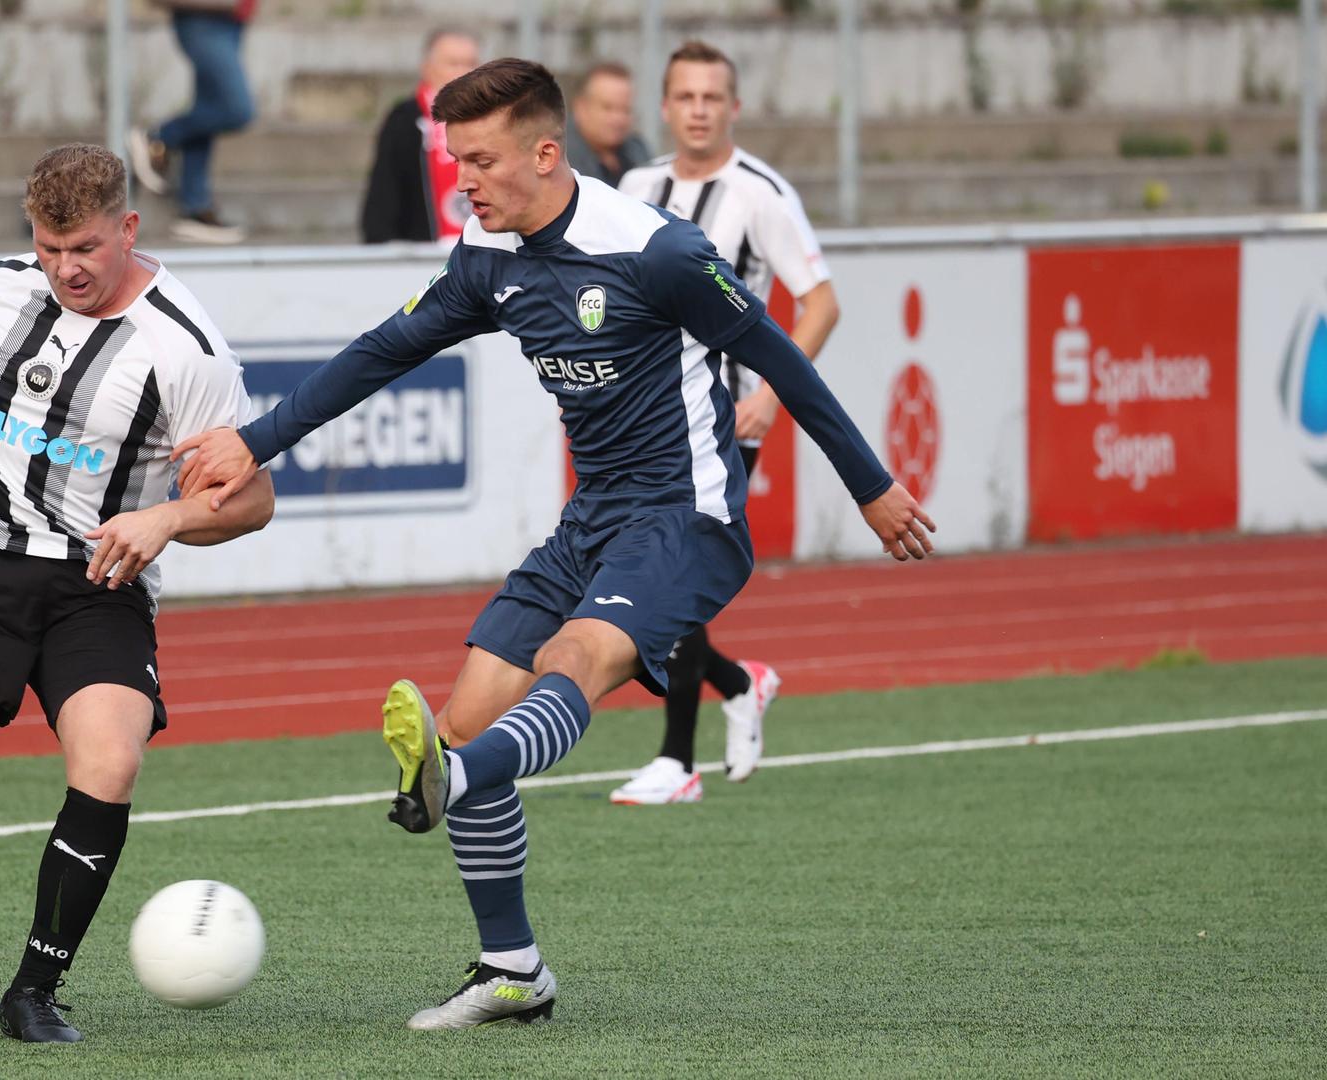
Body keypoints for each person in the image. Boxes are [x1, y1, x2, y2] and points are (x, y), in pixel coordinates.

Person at [173, 59, 931, 1028]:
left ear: (545, 151)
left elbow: (779, 355)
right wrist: (253, 440)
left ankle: (453, 785)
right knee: (466, 716)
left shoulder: (657, 251)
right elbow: (379, 353)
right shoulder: (486, 258)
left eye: (480, 162)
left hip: (686, 518)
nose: (463, 185)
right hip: (591, 520)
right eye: (456, 162)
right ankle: (513, 968)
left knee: (570, 661)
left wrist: (871, 488)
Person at [0, 144, 274, 1044]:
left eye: (86, 248)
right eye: (50, 248)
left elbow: (250, 498)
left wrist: (166, 520)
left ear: (128, 228)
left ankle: (32, 993)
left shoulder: (183, 348)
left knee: (110, 761)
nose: (67, 269)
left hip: (96, 583)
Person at [612, 39, 842, 805]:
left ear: (733, 108)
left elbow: (821, 303)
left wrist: (774, 394)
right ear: (666, 107)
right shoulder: (637, 183)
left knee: (671, 576)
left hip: (724, 417)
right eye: (686, 97)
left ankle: (678, 764)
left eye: (714, 98)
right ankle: (740, 683)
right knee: (637, 574)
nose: (700, 110)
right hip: (642, 417)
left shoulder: (760, 192)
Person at [128, 1, 259, 245]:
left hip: (229, 21)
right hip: (205, 19)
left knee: (208, 107)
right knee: (237, 110)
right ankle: (158, 138)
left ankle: (195, 208)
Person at [359, 27, 481, 244]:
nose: (463, 73)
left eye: (470, 64)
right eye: (453, 63)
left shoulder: (493, 121)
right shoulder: (405, 120)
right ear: (427, 68)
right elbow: (384, 195)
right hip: (423, 251)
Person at [565, 62, 649, 188]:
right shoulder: (560, 160)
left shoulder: (638, 150)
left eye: (625, 110)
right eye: (608, 108)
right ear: (580, 108)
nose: (618, 119)